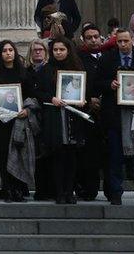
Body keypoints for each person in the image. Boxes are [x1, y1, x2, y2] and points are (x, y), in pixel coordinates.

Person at [97, 29, 134, 206]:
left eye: (126, 41)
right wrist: (110, 84)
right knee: (115, 155)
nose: (123, 44)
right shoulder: (107, 60)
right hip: (115, 115)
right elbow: (96, 83)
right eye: (120, 41)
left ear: (132, 41)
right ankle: (116, 192)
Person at [35, 37, 87, 205]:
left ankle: (69, 190)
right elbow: (39, 92)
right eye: (55, 50)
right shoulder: (46, 70)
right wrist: (51, 98)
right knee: (57, 156)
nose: (58, 52)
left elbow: (84, 90)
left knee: (71, 157)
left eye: (62, 49)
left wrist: (82, 100)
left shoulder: (77, 68)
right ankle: (59, 192)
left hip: (73, 116)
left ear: (68, 50)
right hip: (55, 116)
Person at [0, 40, 33, 203]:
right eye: (4, 50)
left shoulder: (23, 73)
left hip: (19, 121)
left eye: (10, 50)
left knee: (19, 154)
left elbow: (30, 96)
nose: (8, 53)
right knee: (3, 154)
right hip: (1, 121)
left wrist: (27, 110)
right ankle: (7, 189)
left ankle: (19, 189)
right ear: (0, 54)